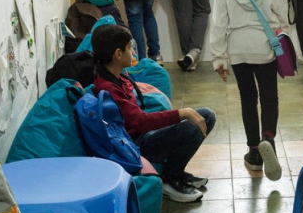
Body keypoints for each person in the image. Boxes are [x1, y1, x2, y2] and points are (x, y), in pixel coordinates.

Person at [92, 24, 215, 203]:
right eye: (129, 49)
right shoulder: (107, 88)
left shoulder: (119, 76)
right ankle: (169, 179)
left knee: (206, 115)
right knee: (191, 127)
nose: (133, 53)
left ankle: (177, 173)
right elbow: (141, 122)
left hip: (144, 135)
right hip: (135, 145)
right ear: (118, 54)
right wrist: (183, 113)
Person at [209, 0, 289, 181]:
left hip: (237, 50)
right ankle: (269, 139)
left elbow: (219, 21)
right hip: (264, 47)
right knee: (269, 97)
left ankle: (254, 151)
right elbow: (282, 19)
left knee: (247, 98)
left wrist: (219, 57)